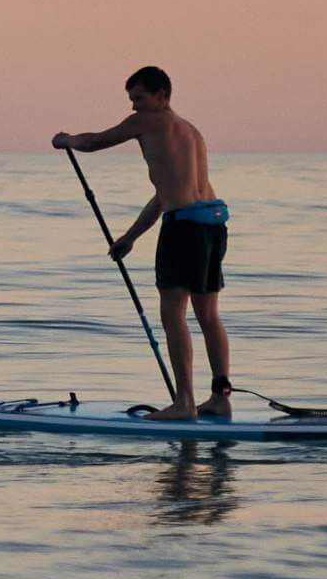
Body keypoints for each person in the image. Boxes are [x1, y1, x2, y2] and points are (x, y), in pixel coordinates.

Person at [56, 65, 230, 420]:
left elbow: (94, 142)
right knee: (209, 316)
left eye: (139, 98)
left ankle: (184, 404)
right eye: (131, 100)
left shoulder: (149, 123)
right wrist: (131, 237)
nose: (134, 107)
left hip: (184, 231)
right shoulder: (191, 132)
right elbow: (166, 196)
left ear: (161, 96)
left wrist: (66, 140)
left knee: (173, 316)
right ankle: (220, 399)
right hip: (213, 223)